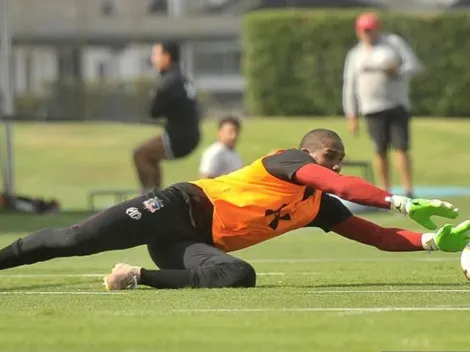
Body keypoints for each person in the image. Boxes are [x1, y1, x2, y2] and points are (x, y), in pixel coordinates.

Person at [0, 129, 467, 291]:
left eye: (341, 156)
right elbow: (336, 182)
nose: (337, 162)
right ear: (310, 153)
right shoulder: (288, 161)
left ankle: (135, 277)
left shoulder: (317, 207)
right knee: (76, 240)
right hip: (175, 206)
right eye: (331, 153)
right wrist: (398, 200)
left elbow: (374, 235)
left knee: (239, 275)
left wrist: (428, 243)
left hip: (188, 244)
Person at [342, 12, 423, 198]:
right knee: (379, 150)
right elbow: (349, 85)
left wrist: (397, 71)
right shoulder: (355, 54)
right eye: (364, 31)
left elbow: (414, 65)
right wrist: (351, 114)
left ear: (378, 28)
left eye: (370, 30)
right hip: (371, 108)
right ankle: (386, 191)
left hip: (396, 105)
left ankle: (408, 190)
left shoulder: (393, 44)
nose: (367, 34)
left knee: (401, 148)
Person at [133, 41, 201, 192]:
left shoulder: (168, 82)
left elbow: (154, 111)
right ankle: (156, 199)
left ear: (167, 57)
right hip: (189, 134)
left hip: (179, 137)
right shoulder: (181, 78)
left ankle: (149, 201)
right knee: (149, 156)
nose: (153, 59)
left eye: (156, 55)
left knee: (140, 155)